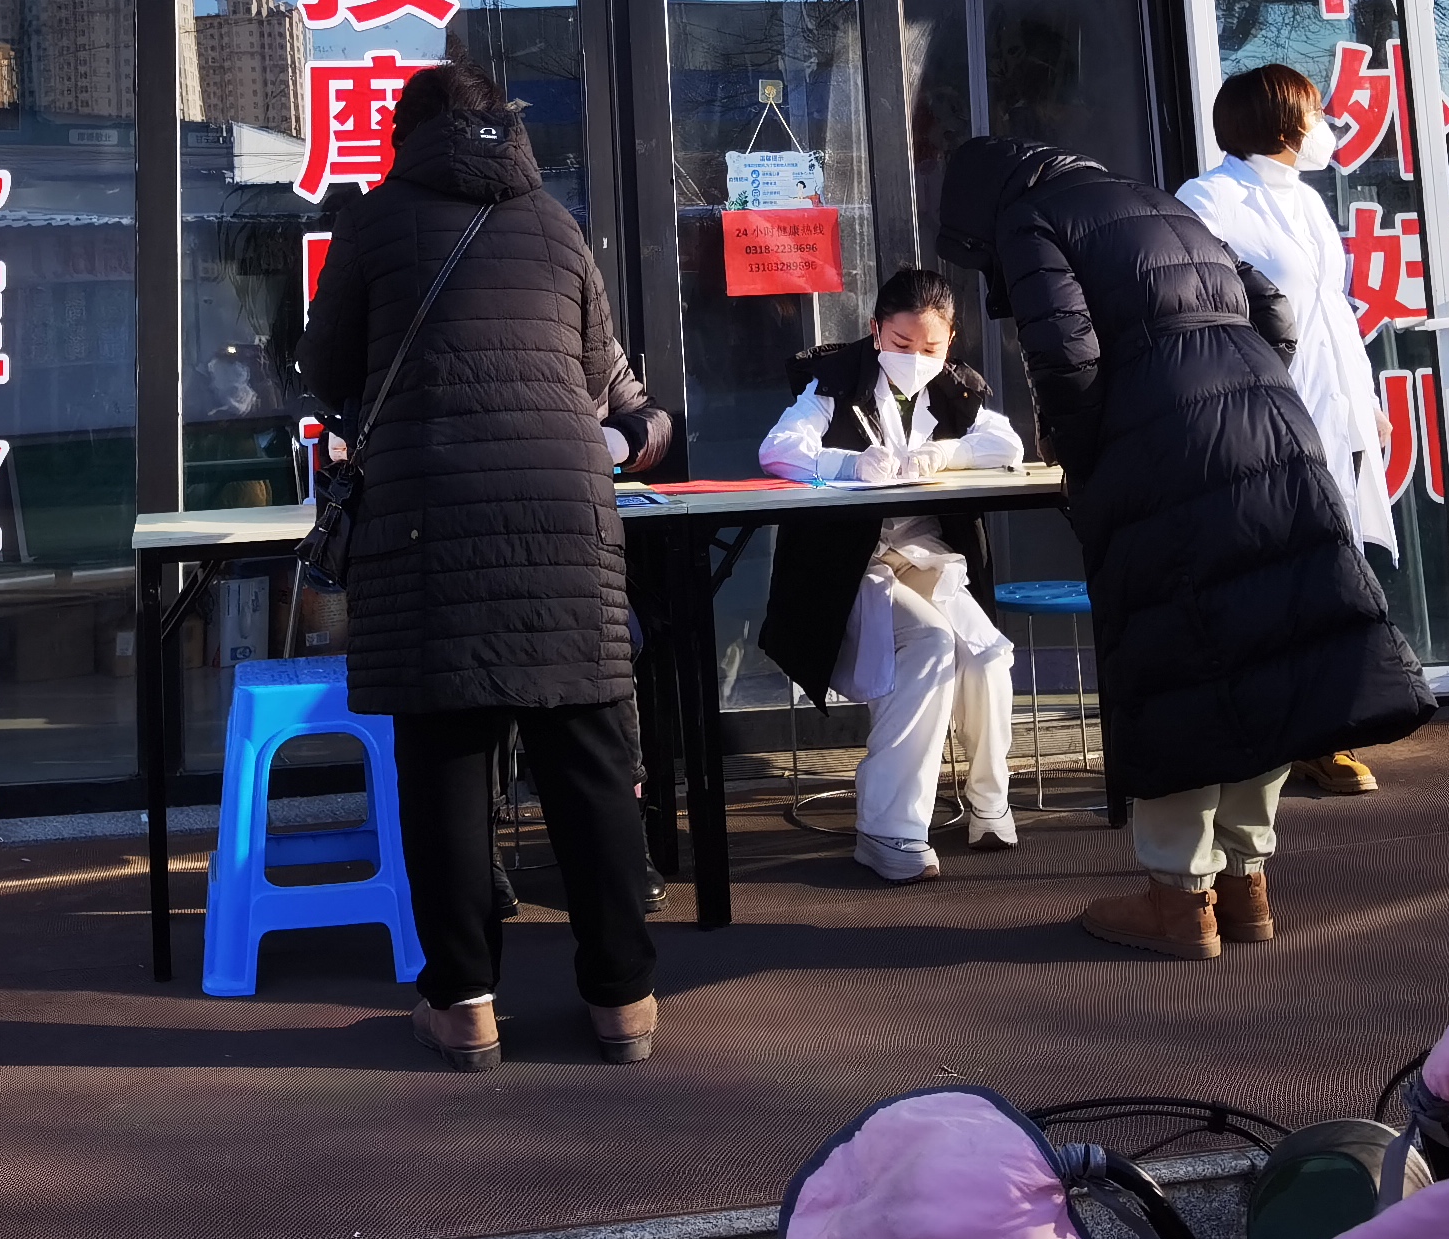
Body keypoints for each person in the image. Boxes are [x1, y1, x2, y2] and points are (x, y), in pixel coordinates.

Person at [935, 135, 1432, 962]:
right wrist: (1241, 382)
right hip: (1272, 428)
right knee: (1263, 647)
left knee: (1173, 660)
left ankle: (1180, 897)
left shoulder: (1031, 217)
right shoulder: (1161, 201)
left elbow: (1064, 353)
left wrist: (1086, 452)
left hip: (1163, 450)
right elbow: (1274, 307)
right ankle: (1247, 881)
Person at [301, 59, 676, 1072]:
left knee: (447, 771)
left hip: (430, 524)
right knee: (590, 764)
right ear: (505, 129)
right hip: (564, 519)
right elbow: (604, 381)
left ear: (404, 134)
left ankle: (465, 1004)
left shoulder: (373, 222)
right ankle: (624, 1000)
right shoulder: (555, 225)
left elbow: (323, 371)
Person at [751, 270, 1030, 884]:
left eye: (931, 348)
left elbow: (1007, 444)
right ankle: (889, 827)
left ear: (950, 341)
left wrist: (949, 451)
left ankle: (989, 804)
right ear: (876, 331)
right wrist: (847, 463)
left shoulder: (955, 388)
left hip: (925, 557)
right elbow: (778, 448)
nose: (915, 360)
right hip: (855, 564)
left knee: (987, 656)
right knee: (927, 642)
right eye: (902, 344)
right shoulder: (835, 379)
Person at [1178, 62, 1399, 800]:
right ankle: (1282, 734)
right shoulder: (1207, 200)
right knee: (1279, 577)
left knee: (1333, 572)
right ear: (1281, 122)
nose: (1325, 128)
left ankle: (1323, 730)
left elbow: (1334, 313)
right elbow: (1200, 318)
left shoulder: (1306, 200)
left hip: (1334, 409)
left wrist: (1366, 399)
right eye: (1315, 114)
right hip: (1265, 418)